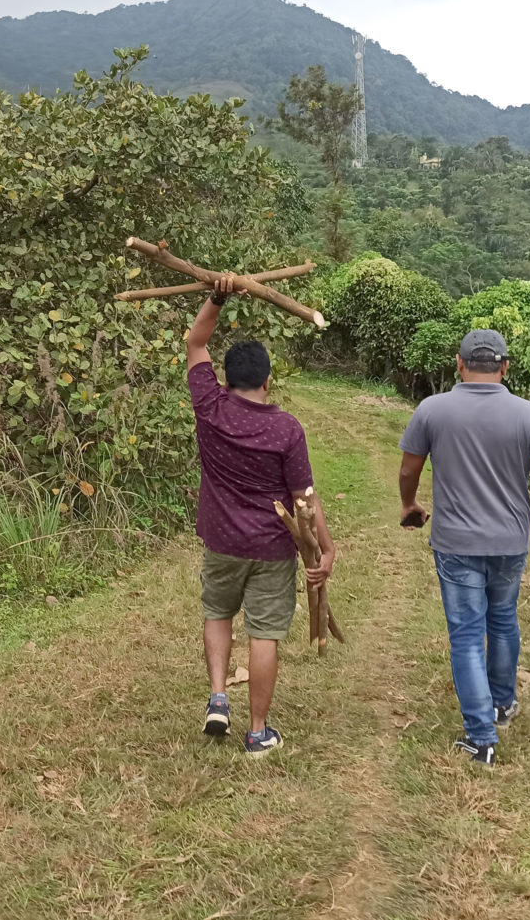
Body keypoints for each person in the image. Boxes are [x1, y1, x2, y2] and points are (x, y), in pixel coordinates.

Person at [398, 329, 530, 768]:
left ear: (459, 364)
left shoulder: (432, 410)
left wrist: (409, 503)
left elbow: (409, 469)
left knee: (465, 635)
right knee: (502, 621)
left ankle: (481, 737)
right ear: (504, 367)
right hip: (510, 542)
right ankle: (502, 704)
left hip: (456, 542)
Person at [186, 274, 335, 757]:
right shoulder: (287, 429)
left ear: (225, 379)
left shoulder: (209, 407)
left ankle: (217, 698)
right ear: (269, 380)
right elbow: (304, 500)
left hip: (221, 540)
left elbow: (195, 341)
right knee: (264, 634)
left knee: (217, 613)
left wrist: (217, 294)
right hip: (272, 548)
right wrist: (326, 548)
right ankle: (257, 732)